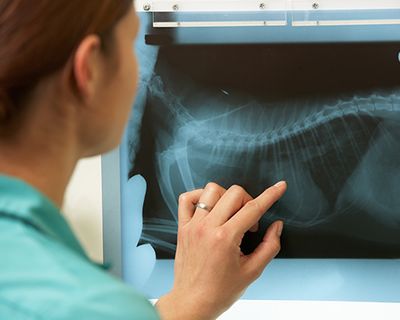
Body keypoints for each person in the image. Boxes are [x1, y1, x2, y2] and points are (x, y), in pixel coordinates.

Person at [0, 1, 287, 319]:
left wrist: (185, 301)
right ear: (89, 69)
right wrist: (193, 302)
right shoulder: (87, 306)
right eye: (134, 44)